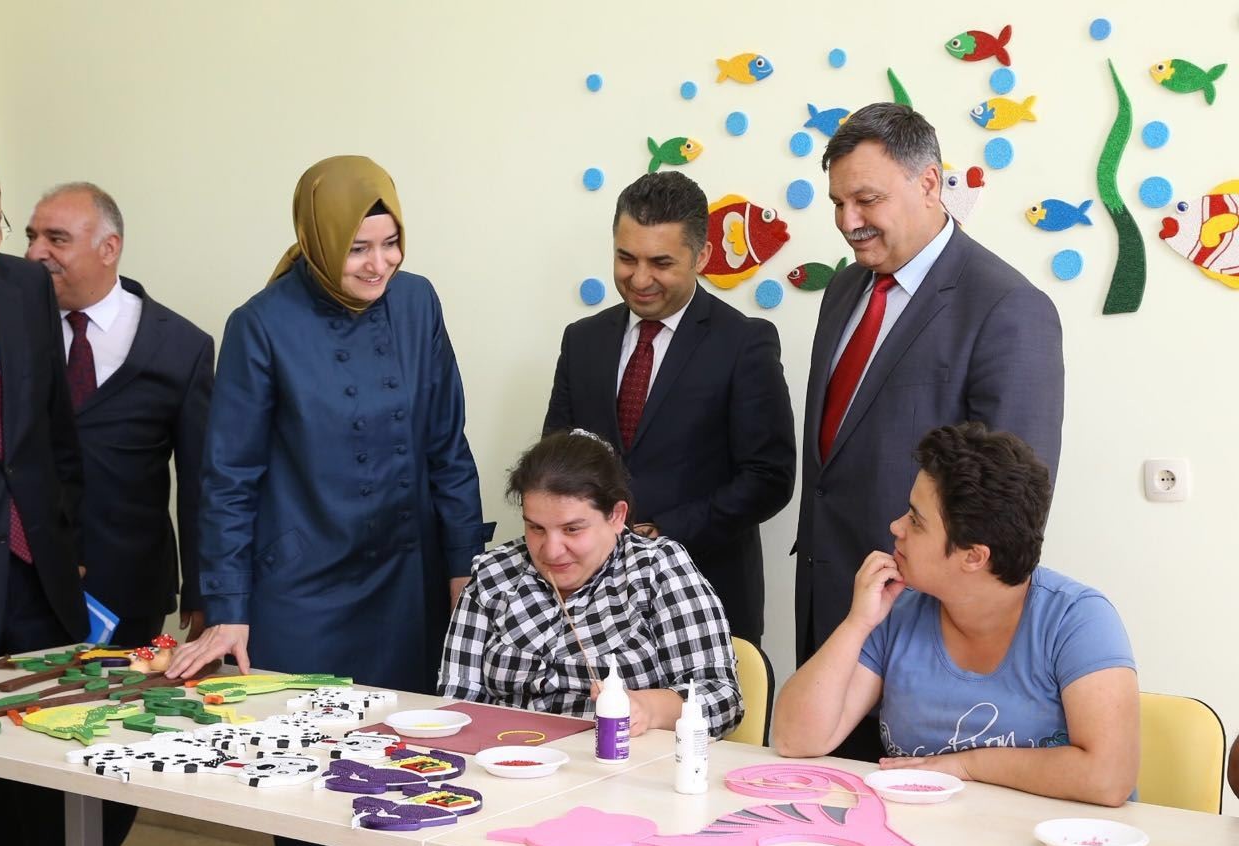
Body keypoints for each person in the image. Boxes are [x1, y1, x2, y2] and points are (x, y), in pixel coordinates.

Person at [167, 155, 492, 846]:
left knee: (411, 779)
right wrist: (228, 606)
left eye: (391, 242)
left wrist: (462, 571)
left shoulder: (418, 304)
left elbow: (448, 446)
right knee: (309, 795)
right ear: (318, 239)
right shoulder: (260, 323)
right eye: (358, 247)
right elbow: (228, 477)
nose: (379, 264)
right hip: (302, 595)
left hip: (404, 587)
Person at [794, 103, 1065, 761]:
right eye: (837, 203)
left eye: (866, 200)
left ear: (928, 183)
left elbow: (1012, 506)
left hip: (922, 624)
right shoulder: (844, 291)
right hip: (831, 602)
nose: (848, 222)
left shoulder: (1007, 307)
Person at [773, 423, 1139, 808]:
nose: (896, 527)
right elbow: (794, 739)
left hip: (1050, 840)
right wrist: (857, 624)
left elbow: (1109, 778)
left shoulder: (1078, 620)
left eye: (916, 521)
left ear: (974, 556)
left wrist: (966, 765)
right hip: (929, 836)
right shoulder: (897, 611)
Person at [25, 181, 214, 846]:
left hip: (129, 591)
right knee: (32, 745)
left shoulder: (179, 345)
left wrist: (204, 592)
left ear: (110, 248)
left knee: (113, 742)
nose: (35, 253)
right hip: (23, 582)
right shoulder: (9, 328)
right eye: (31, 235)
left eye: (55, 239)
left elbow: (201, 479)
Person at [544, 171, 796, 644]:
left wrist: (662, 532)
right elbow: (556, 460)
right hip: (590, 602)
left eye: (660, 262)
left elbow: (769, 478)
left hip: (706, 595)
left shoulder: (744, 343)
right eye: (626, 258)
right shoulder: (582, 341)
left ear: (701, 256)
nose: (639, 279)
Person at [0, 144, 86, 846]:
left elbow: (53, 431)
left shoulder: (23, 287)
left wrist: (69, 542)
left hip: (37, 574)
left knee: (57, 767)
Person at [439, 430, 743, 739]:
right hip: (504, 758)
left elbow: (722, 699)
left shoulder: (657, 568)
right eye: (536, 528)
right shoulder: (494, 574)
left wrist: (647, 708)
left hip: (617, 762)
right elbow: (455, 700)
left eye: (572, 529)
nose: (551, 551)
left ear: (616, 516)